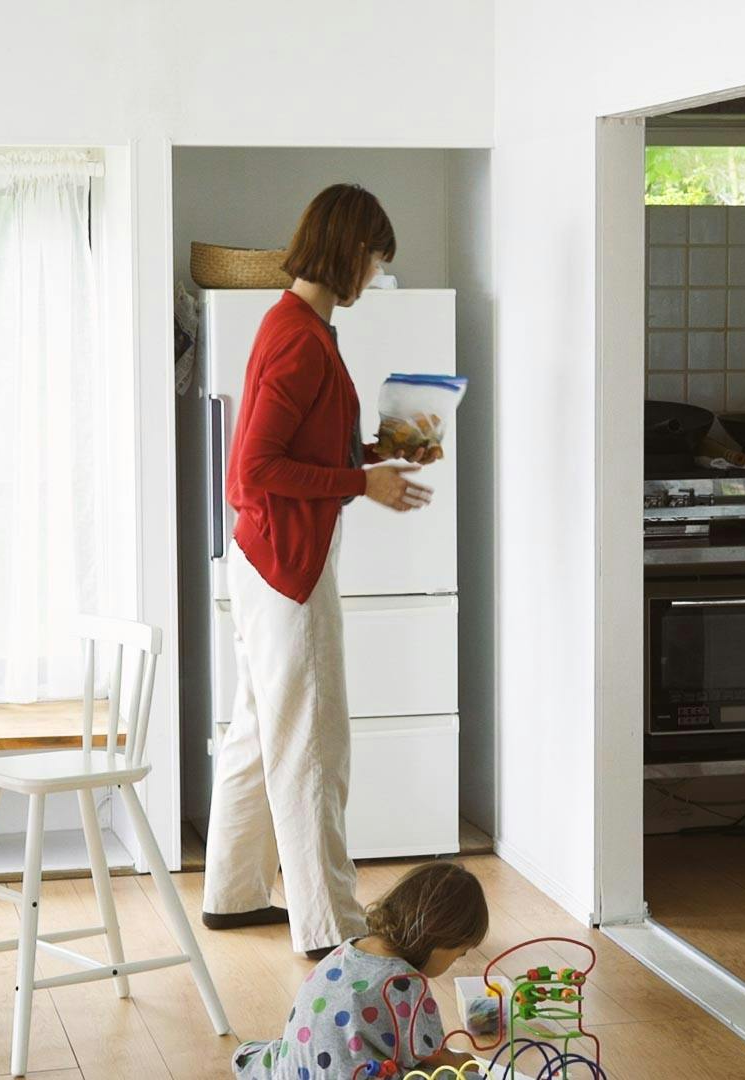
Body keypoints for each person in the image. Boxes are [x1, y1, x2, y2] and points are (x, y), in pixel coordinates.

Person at [201, 184, 437, 959]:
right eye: (374, 257)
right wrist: (358, 481)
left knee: (257, 732)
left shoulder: (299, 326)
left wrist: (376, 453)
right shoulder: (302, 337)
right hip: (287, 570)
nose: (374, 273)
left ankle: (234, 894)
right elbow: (253, 470)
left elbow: (300, 452)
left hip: (270, 560)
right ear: (348, 249)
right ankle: (329, 923)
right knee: (312, 746)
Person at [231, 861, 490, 1078]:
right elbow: (429, 1054)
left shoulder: (347, 949)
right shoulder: (408, 983)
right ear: (439, 941)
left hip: (296, 1071)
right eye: (459, 953)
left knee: (269, 1051)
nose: (454, 962)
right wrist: (459, 1061)